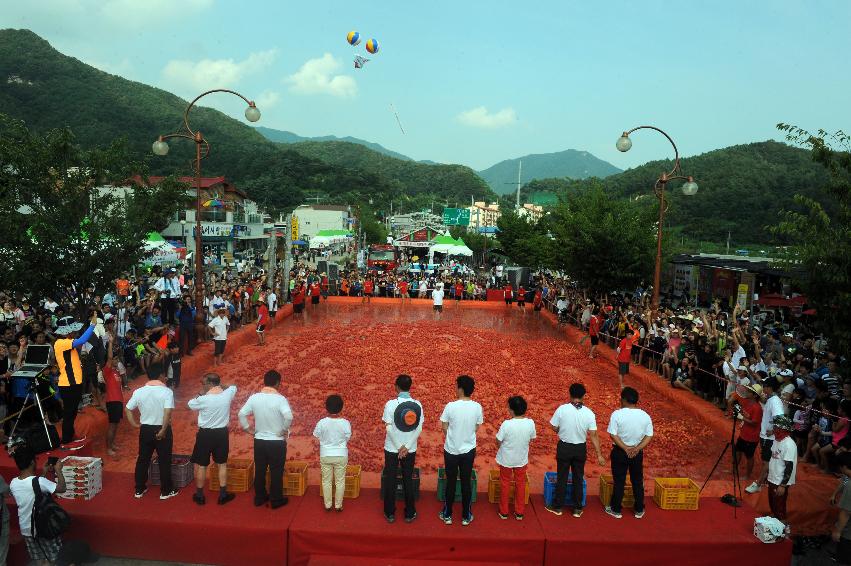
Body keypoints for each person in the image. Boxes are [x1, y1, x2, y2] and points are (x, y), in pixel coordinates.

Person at [546, 383, 606, 518]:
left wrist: (561, 430)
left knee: (562, 476)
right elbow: (593, 434)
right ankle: (577, 508)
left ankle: (558, 506)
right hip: (580, 448)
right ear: (584, 396)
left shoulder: (562, 409)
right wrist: (599, 455)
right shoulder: (589, 413)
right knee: (578, 477)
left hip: (564, 447)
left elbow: (553, 426)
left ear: (569, 394)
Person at [238, 370, 293, 509]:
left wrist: (247, 428)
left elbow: (241, 413)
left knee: (260, 470)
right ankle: (276, 500)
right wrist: (284, 430)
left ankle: (259, 498)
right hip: (276, 442)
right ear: (278, 383)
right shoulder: (280, 399)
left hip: (259, 441)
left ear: (265, 382)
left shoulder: (254, 398)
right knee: (276, 471)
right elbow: (289, 417)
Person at [125, 359, 178, 500]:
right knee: (164, 460)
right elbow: (167, 413)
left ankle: (139, 489)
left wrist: (135, 424)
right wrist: (164, 429)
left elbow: (128, 409)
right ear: (161, 375)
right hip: (162, 428)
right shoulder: (167, 392)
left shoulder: (139, 391)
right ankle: (166, 491)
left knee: (143, 459)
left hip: (145, 429)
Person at [439, 375, 483, 526]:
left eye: (456, 386)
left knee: (450, 482)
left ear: (461, 389)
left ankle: (447, 514)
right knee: (465, 482)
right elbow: (477, 426)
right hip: (468, 450)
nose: (455, 389)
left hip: (451, 450)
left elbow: (444, 426)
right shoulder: (477, 407)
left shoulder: (450, 406)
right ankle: (466, 515)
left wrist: (452, 435)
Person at [10, 446, 66, 564]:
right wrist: (58, 471)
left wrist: (44, 472)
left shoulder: (13, 483)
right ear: (32, 462)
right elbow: (62, 488)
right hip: (43, 527)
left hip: (26, 529)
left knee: (39, 559)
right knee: (54, 558)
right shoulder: (39, 482)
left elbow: (34, 488)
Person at [188, 372, 237, 506]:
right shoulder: (227, 394)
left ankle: (199, 495)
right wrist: (219, 385)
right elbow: (233, 387)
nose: (202, 386)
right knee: (222, 464)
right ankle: (223, 495)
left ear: (210, 384)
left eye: (204, 383)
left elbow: (190, 404)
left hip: (205, 435)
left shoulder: (203, 399)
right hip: (221, 434)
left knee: (202, 465)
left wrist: (201, 393)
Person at [606, 387, 653, 519]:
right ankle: (639, 509)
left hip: (620, 452)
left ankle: (616, 509)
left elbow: (613, 434)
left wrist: (625, 448)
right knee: (637, 481)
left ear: (624, 400)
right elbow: (649, 435)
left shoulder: (617, 414)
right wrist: (637, 448)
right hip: (636, 453)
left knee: (619, 480)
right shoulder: (645, 415)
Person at [382, 374, 424, 524]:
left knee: (391, 479)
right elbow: (419, 429)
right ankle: (410, 512)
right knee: (407, 479)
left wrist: (398, 446)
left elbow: (388, 428)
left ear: (396, 387)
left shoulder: (390, 404)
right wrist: (406, 446)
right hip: (410, 449)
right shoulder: (418, 405)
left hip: (392, 448)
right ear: (410, 386)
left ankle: (389, 512)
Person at [53, 312, 98, 445]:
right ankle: (66, 439)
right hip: (68, 384)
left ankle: (70, 435)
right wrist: (92, 325)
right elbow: (82, 340)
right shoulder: (61, 342)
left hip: (74, 383)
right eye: (73, 330)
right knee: (69, 412)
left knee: (72, 412)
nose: (75, 332)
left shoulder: (67, 342)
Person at [495, 396, 536, 520]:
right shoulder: (530, 423)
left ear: (512, 410)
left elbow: (498, 440)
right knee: (520, 484)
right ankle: (519, 512)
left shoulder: (507, 424)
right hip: (521, 460)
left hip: (506, 459)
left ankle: (504, 512)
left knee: (505, 483)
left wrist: (502, 447)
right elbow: (532, 438)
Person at [312, 394, 351, 512]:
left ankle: (328, 505)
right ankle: (338, 505)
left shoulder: (321, 422)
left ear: (326, 407)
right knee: (340, 481)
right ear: (341, 407)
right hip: (341, 455)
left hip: (325, 454)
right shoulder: (345, 423)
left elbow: (316, 436)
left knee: (326, 480)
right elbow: (347, 438)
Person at [746, 377, 785, 494]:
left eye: (764, 386)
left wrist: (773, 431)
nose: (763, 389)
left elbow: (780, 418)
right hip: (766, 436)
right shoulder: (771, 399)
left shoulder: (775, 401)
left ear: (769, 387)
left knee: (766, 461)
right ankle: (766, 481)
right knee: (766, 461)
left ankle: (758, 484)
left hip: (769, 438)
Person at [767, 415, 797, 527]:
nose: (773, 428)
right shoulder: (777, 440)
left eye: (775, 427)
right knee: (773, 505)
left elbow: (789, 467)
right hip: (772, 478)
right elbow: (773, 459)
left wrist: (783, 485)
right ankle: (775, 526)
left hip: (780, 481)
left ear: (782, 428)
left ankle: (784, 531)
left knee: (780, 508)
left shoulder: (789, 444)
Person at [735, 384, 764, 487]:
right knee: (737, 451)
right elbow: (744, 413)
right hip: (743, 434)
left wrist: (742, 418)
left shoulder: (757, 408)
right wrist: (739, 411)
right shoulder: (747, 402)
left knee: (749, 456)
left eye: (749, 391)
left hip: (752, 437)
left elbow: (754, 423)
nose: (746, 392)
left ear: (755, 395)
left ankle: (747, 476)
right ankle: (733, 470)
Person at [103, 334, 124, 457]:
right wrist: (110, 343)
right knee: (112, 425)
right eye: (115, 359)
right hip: (112, 401)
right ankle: (109, 448)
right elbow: (110, 357)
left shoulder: (116, 371)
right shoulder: (108, 371)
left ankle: (112, 444)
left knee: (115, 425)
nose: (116, 361)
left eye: (117, 359)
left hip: (118, 401)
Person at [830, 452, 851, 563]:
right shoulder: (847, 478)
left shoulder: (850, 486)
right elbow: (843, 483)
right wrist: (834, 494)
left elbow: (846, 512)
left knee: (845, 544)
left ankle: (842, 559)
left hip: (848, 531)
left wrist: (838, 531)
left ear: (843, 467)